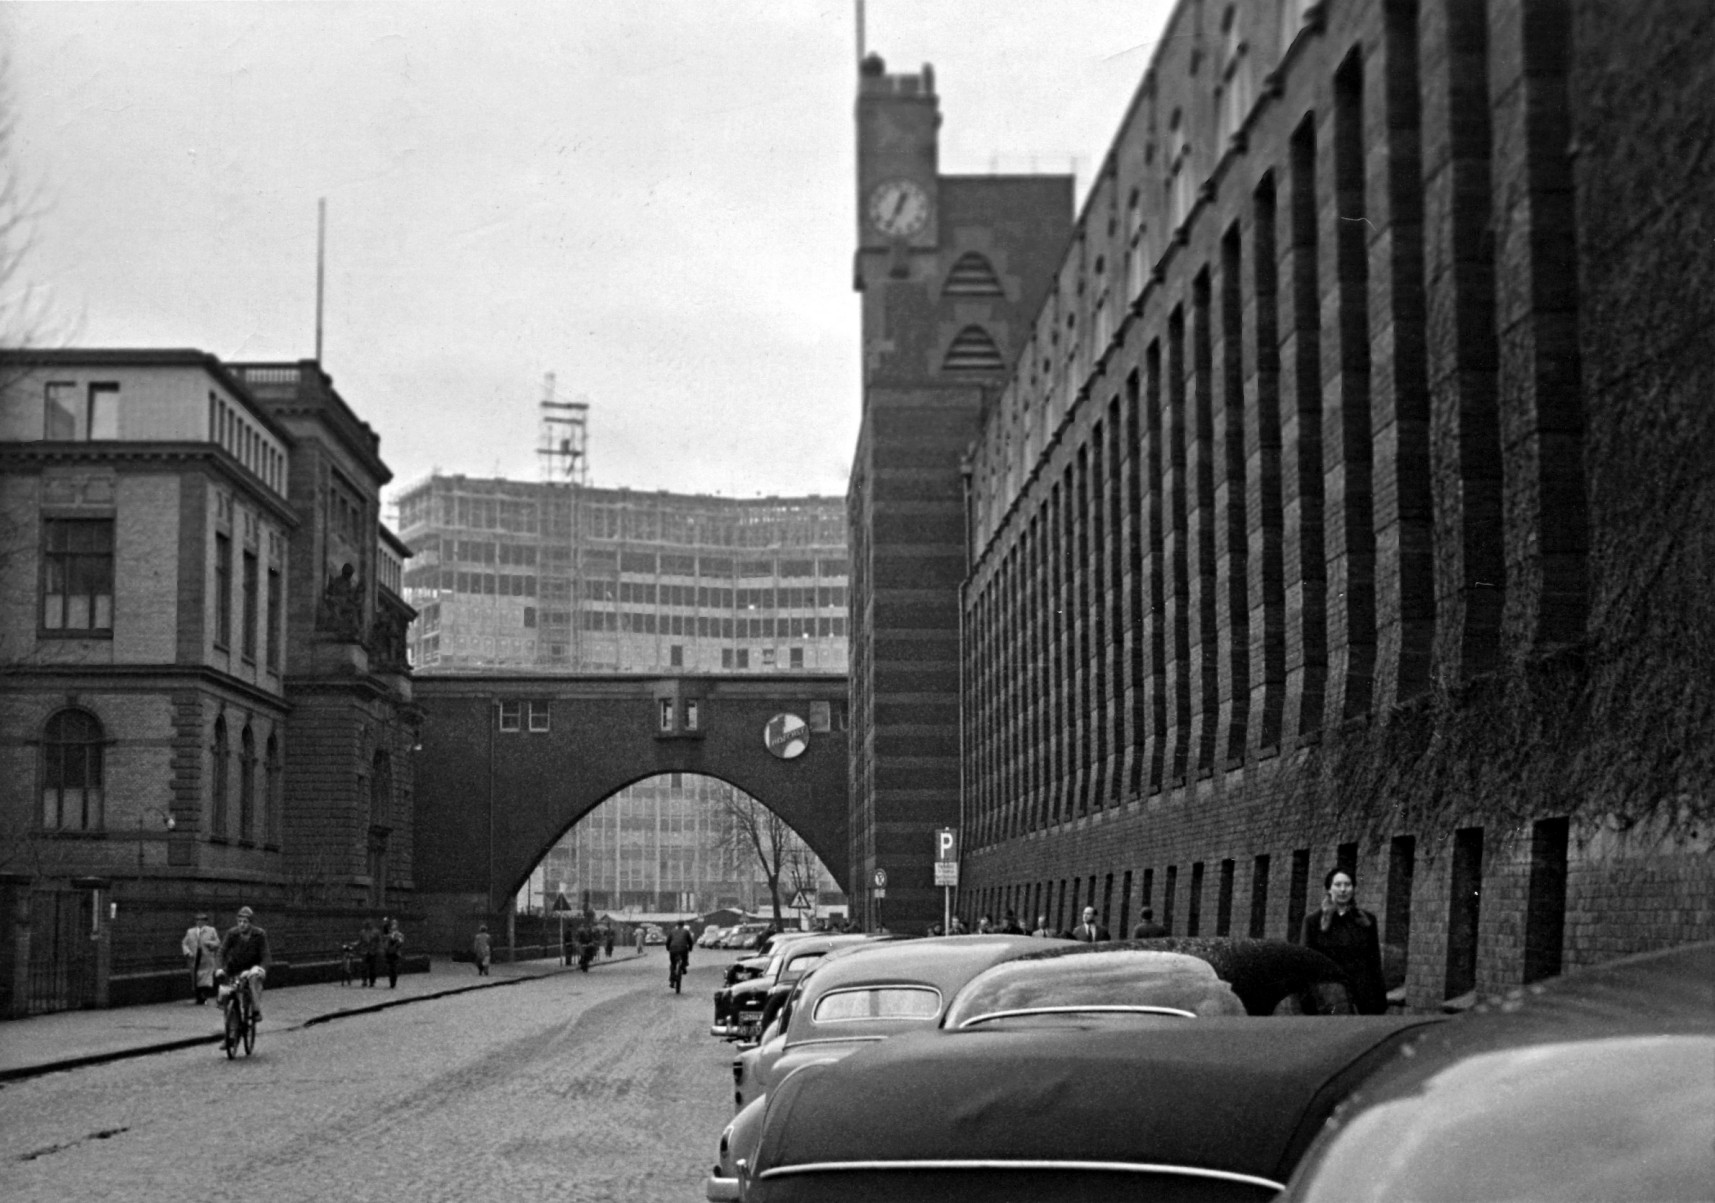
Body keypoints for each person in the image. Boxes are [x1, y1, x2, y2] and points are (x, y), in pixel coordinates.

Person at [1302, 867, 1388, 1014]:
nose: (1343, 890)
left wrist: (1380, 997)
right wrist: (1308, 999)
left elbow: (1374, 961)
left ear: (1353, 889)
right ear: (1329, 889)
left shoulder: (1366, 921)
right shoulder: (1313, 921)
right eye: (1338, 885)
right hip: (1329, 997)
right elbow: (1306, 964)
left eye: (1347, 885)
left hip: (1363, 996)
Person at [219, 905, 271, 1022]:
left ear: (251, 923)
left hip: (252, 969)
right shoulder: (232, 933)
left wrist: (261, 969)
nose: (242, 924)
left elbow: (266, 956)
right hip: (235, 968)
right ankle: (230, 1022)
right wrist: (220, 968)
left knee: (254, 981)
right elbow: (222, 951)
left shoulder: (260, 934)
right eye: (239, 921)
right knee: (225, 990)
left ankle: (256, 1010)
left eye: (245, 922)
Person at [181, 911, 221, 1004]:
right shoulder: (190, 932)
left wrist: (210, 944)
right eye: (198, 920)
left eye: (202, 920)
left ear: (206, 922)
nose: (199, 922)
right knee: (196, 978)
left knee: (206, 978)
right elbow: (184, 943)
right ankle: (199, 997)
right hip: (194, 958)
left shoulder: (211, 930)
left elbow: (217, 942)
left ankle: (203, 995)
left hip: (206, 958)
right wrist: (188, 952)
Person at [664, 918, 694, 987]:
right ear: (683, 925)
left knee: (673, 964)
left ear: (677, 924)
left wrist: (668, 948)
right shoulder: (686, 931)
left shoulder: (672, 931)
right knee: (685, 956)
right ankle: (684, 966)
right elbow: (690, 941)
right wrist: (690, 948)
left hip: (673, 949)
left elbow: (667, 942)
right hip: (683, 949)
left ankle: (672, 981)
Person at [358, 918, 382, 987]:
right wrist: (354, 944)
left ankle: (372, 981)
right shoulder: (362, 932)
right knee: (363, 967)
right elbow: (360, 941)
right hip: (364, 951)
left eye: (369, 924)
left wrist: (378, 949)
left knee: (372, 967)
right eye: (366, 924)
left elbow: (379, 941)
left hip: (373, 951)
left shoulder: (376, 932)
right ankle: (364, 980)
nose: (368, 925)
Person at [383, 917, 405, 987]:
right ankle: (391, 981)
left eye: (394, 924)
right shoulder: (388, 934)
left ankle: (393, 982)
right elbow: (385, 940)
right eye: (392, 924)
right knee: (389, 968)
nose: (393, 925)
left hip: (395, 953)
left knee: (394, 968)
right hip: (388, 953)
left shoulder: (400, 934)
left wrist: (395, 944)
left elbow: (400, 942)